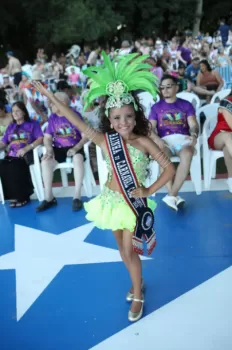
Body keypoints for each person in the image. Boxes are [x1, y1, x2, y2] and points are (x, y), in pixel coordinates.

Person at [33, 52, 175, 322]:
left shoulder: (144, 142)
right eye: (118, 118)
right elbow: (72, 117)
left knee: (130, 250)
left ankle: (138, 293)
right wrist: (49, 96)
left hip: (132, 205)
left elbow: (170, 168)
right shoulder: (104, 140)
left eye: (129, 116)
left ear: (136, 117)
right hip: (110, 201)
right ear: (110, 121)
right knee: (122, 251)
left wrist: (148, 190)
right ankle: (137, 282)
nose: (124, 122)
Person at [149, 75, 199, 210]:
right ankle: (173, 196)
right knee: (161, 155)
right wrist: (157, 139)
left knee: (188, 153)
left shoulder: (186, 105)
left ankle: (171, 195)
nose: (165, 90)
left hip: (182, 141)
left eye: (168, 87)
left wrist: (194, 134)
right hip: (165, 142)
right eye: (162, 88)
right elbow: (150, 129)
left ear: (176, 87)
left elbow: (194, 124)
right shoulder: (156, 108)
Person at [36, 92, 87, 212]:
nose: (50, 105)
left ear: (62, 104)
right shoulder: (53, 117)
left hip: (75, 146)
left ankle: (77, 196)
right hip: (58, 148)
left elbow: (86, 136)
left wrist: (76, 148)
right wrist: (48, 149)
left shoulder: (74, 115)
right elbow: (47, 137)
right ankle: (49, 198)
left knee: (78, 159)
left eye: (52, 102)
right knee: (45, 161)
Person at [0, 101, 43, 207]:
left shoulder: (33, 124)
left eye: (17, 111)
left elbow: (40, 139)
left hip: (27, 153)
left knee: (15, 164)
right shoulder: (11, 127)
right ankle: (12, 195)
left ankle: (23, 196)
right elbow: (4, 142)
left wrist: (27, 148)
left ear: (24, 112)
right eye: (13, 111)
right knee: (4, 164)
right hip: (12, 154)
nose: (14, 113)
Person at [208, 92, 232, 192]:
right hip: (220, 135)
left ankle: (231, 179)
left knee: (228, 148)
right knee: (228, 136)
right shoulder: (226, 102)